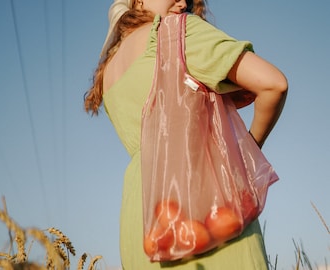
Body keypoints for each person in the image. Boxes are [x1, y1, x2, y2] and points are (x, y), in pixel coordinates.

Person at [84, 0, 288, 269]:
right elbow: (274, 84)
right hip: (205, 207)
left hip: (142, 221)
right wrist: (249, 148)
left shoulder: (107, 72)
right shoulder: (175, 34)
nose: (183, 2)